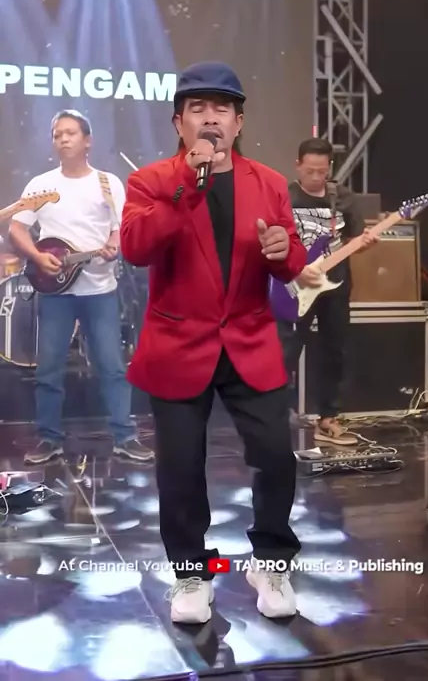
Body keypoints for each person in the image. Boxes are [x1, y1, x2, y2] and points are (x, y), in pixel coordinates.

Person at [120, 61, 320, 625]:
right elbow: (136, 247)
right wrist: (188, 182)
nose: (211, 118)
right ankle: (192, 574)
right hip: (178, 343)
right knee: (180, 467)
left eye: (222, 109)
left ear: (238, 122)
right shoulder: (152, 181)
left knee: (276, 456)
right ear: (179, 123)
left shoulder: (269, 183)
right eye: (198, 109)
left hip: (250, 340)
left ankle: (270, 562)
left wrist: (283, 250)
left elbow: (292, 263)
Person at [9, 110, 153, 465]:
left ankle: (124, 437)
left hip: (100, 290)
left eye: (70, 133)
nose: (63, 139)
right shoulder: (41, 185)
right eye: (57, 134)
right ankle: (49, 439)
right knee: (49, 369)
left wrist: (114, 245)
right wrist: (37, 257)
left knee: (112, 367)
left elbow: (120, 229)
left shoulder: (108, 183)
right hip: (55, 293)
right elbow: (16, 228)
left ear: (87, 140)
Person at [277, 137, 372, 446]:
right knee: (285, 351)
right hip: (296, 285)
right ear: (298, 166)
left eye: (322, 171)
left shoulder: (343, 198)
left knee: (334, 351)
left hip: (336, 286)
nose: (316, 177)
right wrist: (295, 268)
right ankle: (277, 416)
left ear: (330, 167)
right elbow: (271, 244)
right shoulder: (283, 197)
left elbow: (353, 241)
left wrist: (364, 243)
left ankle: (328, 418)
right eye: (310, 171)